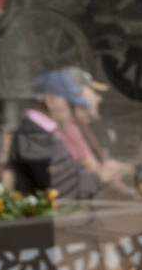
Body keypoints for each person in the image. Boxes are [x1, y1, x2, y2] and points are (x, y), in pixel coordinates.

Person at [11, 71, 91, 202]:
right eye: (70, 104)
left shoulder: (39, 132)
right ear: (51, 100)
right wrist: (101, 177)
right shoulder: (34, 135)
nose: (73, 112)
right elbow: (57, 187)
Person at [61, 67, 134, 193]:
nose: (99, 98)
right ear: (79, 94)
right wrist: (132, 194)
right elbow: (98, 171)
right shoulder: (70, 128)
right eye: (93, 92)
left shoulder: (80, 126)